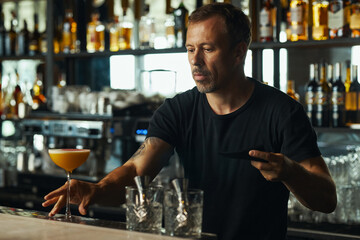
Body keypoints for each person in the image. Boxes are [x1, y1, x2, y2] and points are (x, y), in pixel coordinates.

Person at [42, 3, 337, 240]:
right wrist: (96, 190)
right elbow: (136, 169)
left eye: (207, 49)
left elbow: (327, 199)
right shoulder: (178, 110)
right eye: (190, 49)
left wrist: (290, 172)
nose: (195, 61)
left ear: (238, 52)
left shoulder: (283, 112)